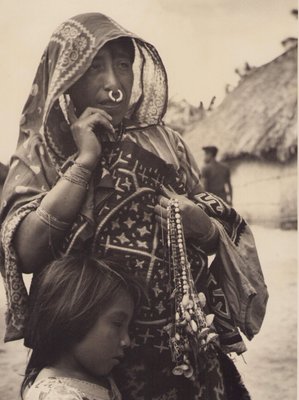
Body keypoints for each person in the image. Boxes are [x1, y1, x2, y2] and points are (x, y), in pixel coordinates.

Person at [0, 13, 268, 399]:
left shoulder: (168, 144)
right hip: (89, 358)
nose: (114, 83)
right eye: (96, 67)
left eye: (123, 65)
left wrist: (202, 226)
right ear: (67, 76)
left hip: (181, 353)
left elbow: (217, 235)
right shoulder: (43, 150)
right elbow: (25, 252)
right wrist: (84, 163)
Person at [21, 254, 143, 400]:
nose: (127, 341)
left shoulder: (99, 378)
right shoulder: (57, 396)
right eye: (117, 324)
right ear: (72, 317)